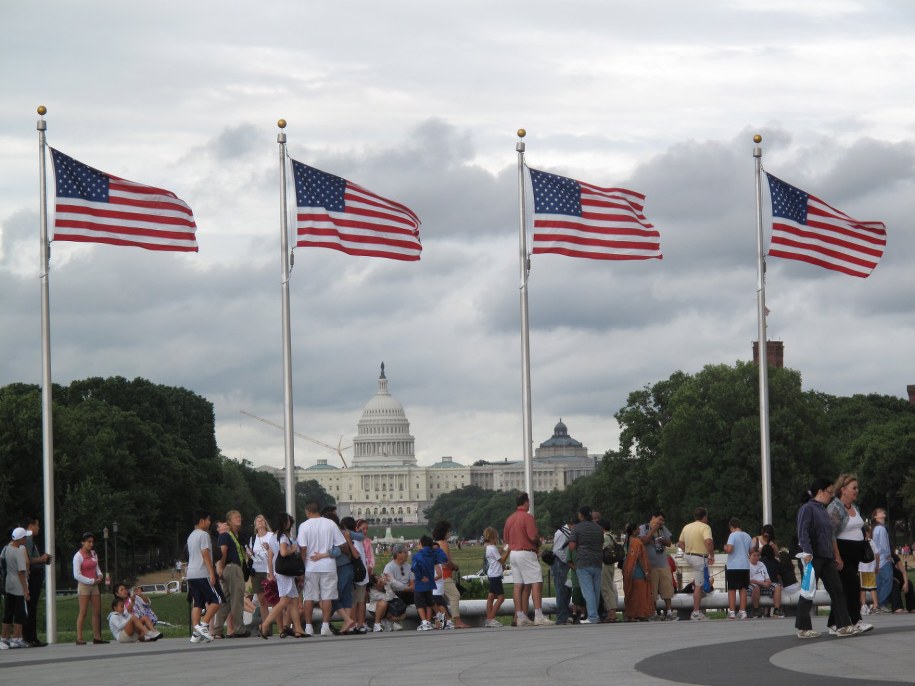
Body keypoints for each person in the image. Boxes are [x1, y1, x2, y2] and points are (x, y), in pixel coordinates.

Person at [794, 479, 859, 639]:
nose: (831, 495)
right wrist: (807, 552)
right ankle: (803, 628)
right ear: (821, 492)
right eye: (829, 492)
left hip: (827, 558)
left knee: (837, 589)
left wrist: (835, 555)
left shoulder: (823, 510)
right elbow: (802, 531)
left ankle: (843, 625)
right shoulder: (807, 509)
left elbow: (830, 535)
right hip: (812, 557)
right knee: (808, 591)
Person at [827, 474, 871, 633]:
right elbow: (831, 534)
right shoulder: (835, 508)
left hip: (855, 555)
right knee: (852, 586)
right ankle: (856, 620)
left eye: (857, 488)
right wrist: (837, 556)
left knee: (845, 589)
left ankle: (833, 623)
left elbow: (857, 526)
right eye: (854, 488)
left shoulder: (855, 507)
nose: (857, 491)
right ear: (843, 490)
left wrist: (863, 534)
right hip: (843, 554)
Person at [503, 492, 553, 626]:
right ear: (525, 502)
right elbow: (532, 537)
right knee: (537, 581)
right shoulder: (528, 517)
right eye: (528, 502)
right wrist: (538, 542)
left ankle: (520, 616)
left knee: (518, 585)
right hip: (526, 552)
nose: (529, 504)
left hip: (513, 553)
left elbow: (506, 540)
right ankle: (538, 615)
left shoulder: (510, 519)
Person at [298, 501, 346, 637]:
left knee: (308, 597)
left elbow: (303, 548)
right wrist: (326, 553)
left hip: (310, 566)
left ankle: (308, 627)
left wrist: (302, 567)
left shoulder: (304, 526)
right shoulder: (330, 524)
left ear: (307, 511)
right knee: (327, 597)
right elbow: (342, 544)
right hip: (328, 565)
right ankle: (325, 626)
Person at [259, 512, 306, 639]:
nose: (290, 522)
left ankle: (298, 629)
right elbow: (284, 553)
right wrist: (294, 549)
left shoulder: (273, 536)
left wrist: (271, 572)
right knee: (285, 600)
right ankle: (265, 624)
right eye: (288, 521)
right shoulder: (283, 537)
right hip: (285, 572)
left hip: (279, 571)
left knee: (294, 600)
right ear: (284, 522)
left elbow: (271, 556)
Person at [186, 510, 222, 643]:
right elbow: (205, 554)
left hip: (191, 574)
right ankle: (204, 624)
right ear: (202, 521)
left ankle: (196, 634)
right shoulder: (204, 535)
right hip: (202, 573)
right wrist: (211, 572)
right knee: (217, 600)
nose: (210, 522)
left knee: (198, 602)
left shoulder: (191, 536)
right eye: (208, 520)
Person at [214, 509, 250, 638]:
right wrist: (220, 568)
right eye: (235, 517)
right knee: (237, 600)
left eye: (239, 516)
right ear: (229, 520)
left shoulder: (235, 536)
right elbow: (223, 552)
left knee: (226, 601)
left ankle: (217, 629)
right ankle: (239, 629)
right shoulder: (226, 535)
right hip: (232, 569)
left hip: (230, 569)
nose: (239, 518)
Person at [567, 506, 603, 624]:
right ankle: (595, 614)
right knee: (596, 591)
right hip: (597, 562)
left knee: (588, 591)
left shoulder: (577, 528)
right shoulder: (598, 528)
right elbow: (601, 542)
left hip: (583, 562)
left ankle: (592, 617)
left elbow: (571, 547)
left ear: (581, 515)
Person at [677, 507, 715, 620]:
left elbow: (680, 543)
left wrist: (687, 551)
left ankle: (700, 595)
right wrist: (711, 554)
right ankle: (696, 612)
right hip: (700, 558)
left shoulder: (687, 527)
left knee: (702, 581)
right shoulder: (705, 527)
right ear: (705, 517)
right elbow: (708, 541)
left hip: (688, 556)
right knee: (698, 586)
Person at [72, 531, 107, 645]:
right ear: (82, 542)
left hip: (94, 585)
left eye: (92, 542)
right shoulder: (78, 556)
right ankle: (79, 637)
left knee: (96, 611)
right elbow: (76, 575)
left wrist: (100, 575)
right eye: (88, 542)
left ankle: (97, 637)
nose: (91, 544)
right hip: (84, 585)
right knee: (83, 611)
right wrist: (90, 581)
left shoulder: (93, 554)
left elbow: (96, 567)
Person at [433, 520, 469, 628]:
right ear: (444, 532)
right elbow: (446, 561)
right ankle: (456, 620)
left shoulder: (435, 544)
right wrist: (455, 566)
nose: (450, 533)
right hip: (444, 575)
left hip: (438, 575)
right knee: (455, 595)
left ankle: (440, 622)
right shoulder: (443, 544)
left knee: (440, 600)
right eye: (448, 531)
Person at [638, 511, 673, 620]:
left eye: (663, 520)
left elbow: (669, 543)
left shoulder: (663, 528)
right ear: (653, 517)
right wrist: (653, 530)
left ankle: (669, 612)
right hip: (650, 565)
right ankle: (653, 612)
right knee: (652, 590)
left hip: (663, 564)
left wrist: (663, 540)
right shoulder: (644, 527)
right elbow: (642, 541)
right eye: (659, 519)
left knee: (667, 588)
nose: (661, 522)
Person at [1, 528, 31, 649]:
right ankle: (16, 638)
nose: (26, 539)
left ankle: (4, 638)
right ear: (21, 539)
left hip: (8, 584)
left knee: (8, 612)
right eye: (25, 537)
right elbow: (21, 572)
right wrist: (25, 590)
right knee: (20, 613)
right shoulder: (18, 552)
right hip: (18, 585)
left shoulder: (6, 549)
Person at [22, 516, 51, 647]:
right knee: (31, 606)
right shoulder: (27, 539)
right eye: (37, 525)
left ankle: (31, 636)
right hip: (33, 575)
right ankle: (30, 637)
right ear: (31, 525)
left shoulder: (30, 540)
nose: (39, 528)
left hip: (36, 574)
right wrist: (42, 559)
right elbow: (28, 560)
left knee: (32, 606)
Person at [411, 536, 446, 631]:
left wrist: (420, 577)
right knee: (430, 601)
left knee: (419, 604)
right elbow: (444, 559)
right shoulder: (433, 554)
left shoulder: (417, 555)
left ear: (421, 544)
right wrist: (437, 550)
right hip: (430, 582)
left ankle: (424, 622)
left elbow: (414, 568)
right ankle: (440, 615)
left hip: (420, 582)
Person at [622, 522, 652, 622]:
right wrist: (646, 571)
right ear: (634, 531)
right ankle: (640, 614)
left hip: (627, 571)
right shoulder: (636, 542)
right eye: (638, 529)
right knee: (639, 594)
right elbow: (640, 558)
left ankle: (631, 615)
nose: (640, 530)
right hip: (637, 572)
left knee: (630, 594)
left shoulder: (626, 541)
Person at [248, 514, 275, 624]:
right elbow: (249, 553)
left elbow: (276, 550)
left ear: (265, 523)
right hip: (257, 570)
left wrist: (269, 548)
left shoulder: (271, 535)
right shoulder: (253, 538)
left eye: (262, 520)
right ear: (255, 525)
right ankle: (266, 625)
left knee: (273, 599)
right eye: (257, 521)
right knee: (262, 600)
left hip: (269, 569)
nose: (260, 522)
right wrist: (250, 554)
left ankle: (280, 624)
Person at [723, 517, 752, 620]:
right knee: (743, 588)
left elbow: (730, 549)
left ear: (731, 527)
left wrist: (725, 547)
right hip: (745, 565)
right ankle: (742, 611)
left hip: (733, 566)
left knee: (732, 589)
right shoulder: (747, 536)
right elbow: (751, 550)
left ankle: (731, 612)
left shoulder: (733, 535)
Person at [549, 515, 575, 625]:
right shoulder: (561, 533)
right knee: (561, 590)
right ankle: (561, 617)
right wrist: (568, 561)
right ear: (572, 524)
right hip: (560, 564)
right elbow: (557, 550)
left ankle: (565, 615)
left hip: (565, 564)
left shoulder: (567, 532)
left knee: (567, 589)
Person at [381, 543, 414, 630]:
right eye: (405, 552)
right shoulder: (389, 567)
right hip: (395, 593)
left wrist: (407, 588)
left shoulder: (409, 567)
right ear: (398, 554)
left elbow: (412, 584)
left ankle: (393, 620)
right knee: (397, 597)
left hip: (407, 592)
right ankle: (395, 621)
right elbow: (391, 585)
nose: (407, 554)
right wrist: (406, 588)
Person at [482, 527, 508, 627]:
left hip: (491, 574)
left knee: (491, 596)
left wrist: (503, 548)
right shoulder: (492, 548)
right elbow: (501, 560)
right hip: (496, 575)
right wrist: (508, 551)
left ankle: (488, 617)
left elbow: (497, 554)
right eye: (496, 538)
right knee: (501, 597)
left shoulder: (489, 547)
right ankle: (491, 618)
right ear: (493, 537)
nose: (498, 539)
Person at [748, 548, 783, 618]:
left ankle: (777, 610)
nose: (756, 558)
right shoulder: (747, 564)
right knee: (756, 587)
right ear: (749, 556)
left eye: (758, 556)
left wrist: (768, 582)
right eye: (754, 556)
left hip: (763, 584)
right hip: (752, 585)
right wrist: (762, 583)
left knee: (777, 587)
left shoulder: (761, 564)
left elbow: (767, 577)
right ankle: (756, 610)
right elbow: (749, 580)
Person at [871, 508, 893, 612]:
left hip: (877, 559)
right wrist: (888, 555)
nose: (883, 512)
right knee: (888, 581)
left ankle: (877, 604)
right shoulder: (882, 529)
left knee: (879, 583)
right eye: (880, 511)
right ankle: (880, 603)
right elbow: (883, 545)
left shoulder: (875, 528)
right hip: (883, 559)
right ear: (875, 516)